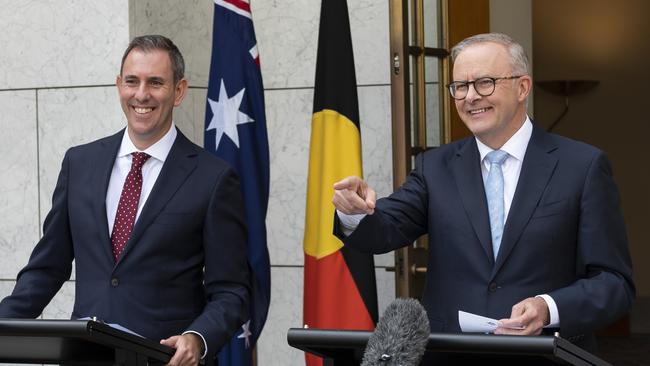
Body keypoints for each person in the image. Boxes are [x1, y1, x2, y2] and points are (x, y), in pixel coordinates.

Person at [332, 33, 634, 352]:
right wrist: (353, 211)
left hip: (547, 355)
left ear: (523, 87)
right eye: (460, 86)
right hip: (452, 356)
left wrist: (549, 308)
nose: (470, 96)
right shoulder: (435, 167)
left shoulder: (582, 166)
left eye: (485, 82)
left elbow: (614, 284)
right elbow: (385, 229)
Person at [0, 35, 250, 366]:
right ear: (119, 85)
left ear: (179, 91)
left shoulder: (214, 178)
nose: (141, 94)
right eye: (132, 81)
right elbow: (46, 268)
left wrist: (198, 338)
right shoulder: (79, 164)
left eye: (156, 82)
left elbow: (232, 290)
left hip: (163, 360)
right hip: (84, 358)